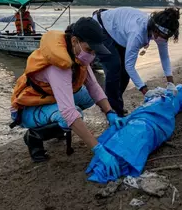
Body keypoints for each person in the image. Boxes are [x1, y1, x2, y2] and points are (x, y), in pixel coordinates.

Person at [9, 17, 122, 177]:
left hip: (49, 98)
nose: (92, 55)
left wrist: (110, 112)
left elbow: (93, 87)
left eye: (94, 51)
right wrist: (98, 149)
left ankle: (58, 125)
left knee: (89, 98)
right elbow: (69, 113)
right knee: (72, 115)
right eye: (89, 50)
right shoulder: (58, 66)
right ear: (75, 41)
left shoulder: (77, 54)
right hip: (27, 109)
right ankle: (34, 136)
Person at [92, 7, 180, 116]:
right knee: (114, 68)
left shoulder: (161, 32)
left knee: (124, 75)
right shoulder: (137, 33)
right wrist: (146, 91)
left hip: (120, 32)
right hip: (101, 27)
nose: (163, 40)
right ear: (155, 30)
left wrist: (171, 82)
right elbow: (130, 66)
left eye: (166, 37)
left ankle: (113, 104)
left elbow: (164, 57)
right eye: (162, 37)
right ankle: (113, 111)